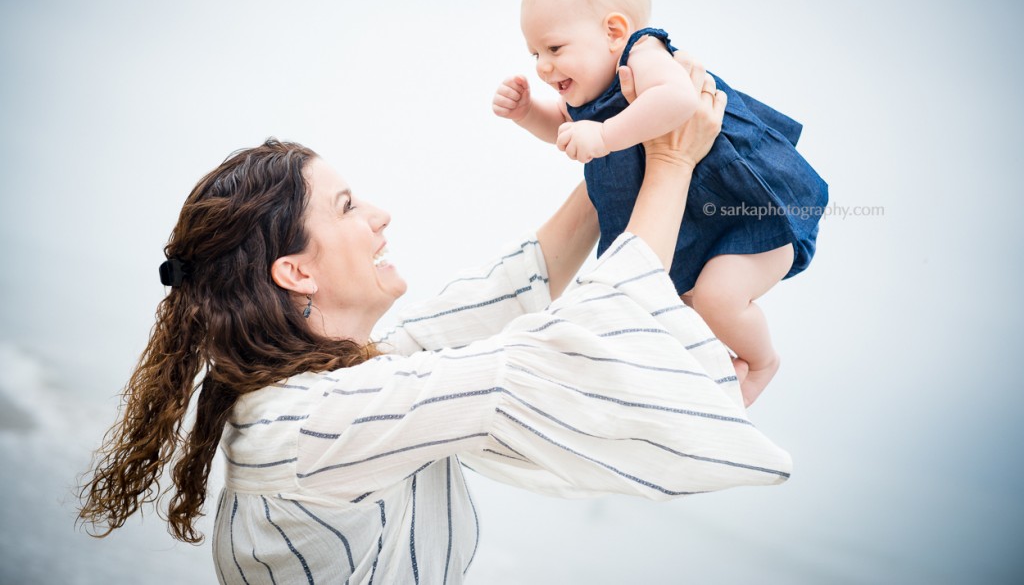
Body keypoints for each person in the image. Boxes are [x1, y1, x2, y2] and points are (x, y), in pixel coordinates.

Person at [78, 58, 792, 584]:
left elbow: (514, 285)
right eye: (349, 205)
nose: (380, 214)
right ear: (295, 271)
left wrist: (618, 138)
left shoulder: (342, 384)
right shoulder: (310, 422)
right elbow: (546, 358)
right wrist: (669, 164)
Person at [492, 0, 829, 406]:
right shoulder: (587, 90)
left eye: (553, 48)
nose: (543, 66)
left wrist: (607, 134)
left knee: (717, 298)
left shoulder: (643, 53)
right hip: (690, 227)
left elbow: (678, 100)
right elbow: (569, 133)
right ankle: (705, 388)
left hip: (749, 207)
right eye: (534, 53)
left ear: (613, 31)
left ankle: (763, 361)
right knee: (674, 318)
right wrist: (530, 112)